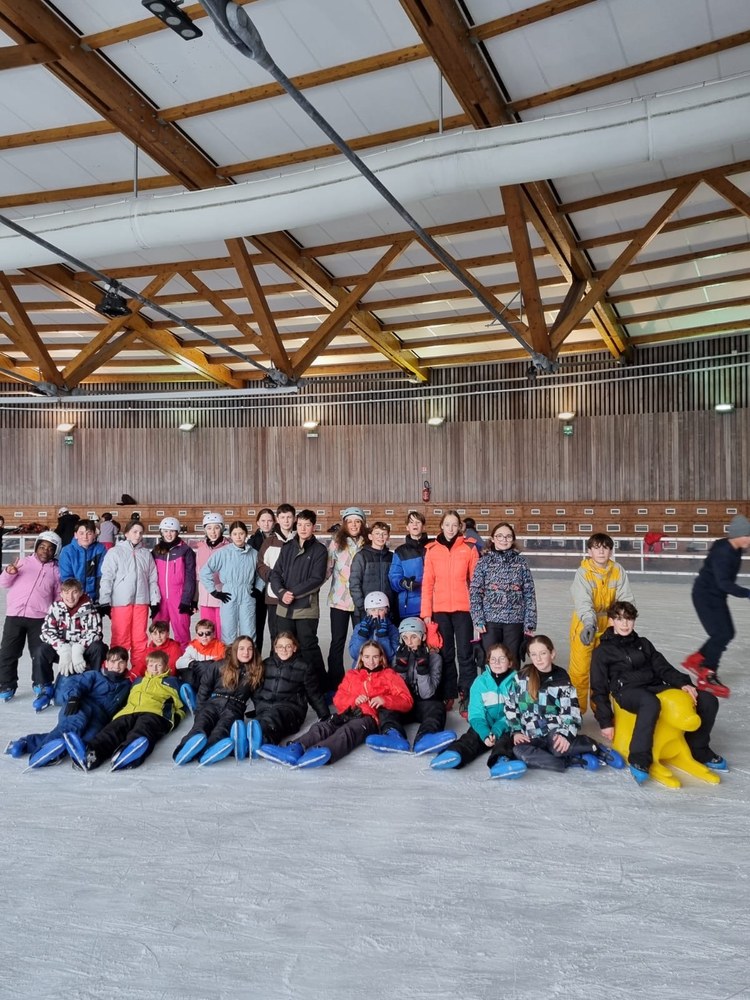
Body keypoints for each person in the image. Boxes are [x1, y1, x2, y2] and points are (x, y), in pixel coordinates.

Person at [591, 601, 724, 783]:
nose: (625, 624)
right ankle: (639, 757)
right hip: (627, 691)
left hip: (654, 685)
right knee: (650, 702)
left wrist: (684, 684)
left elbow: (663, 668)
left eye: (629, 619)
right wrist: (605, 722)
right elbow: (598, 688)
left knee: (708, 700)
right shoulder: (603, 651)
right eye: (620, 619)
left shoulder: (643, 644)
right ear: (611, 621)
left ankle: (698, 748)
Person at [259, 640, 413, 768]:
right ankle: (295, 748)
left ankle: (322, 750)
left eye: (375, 657)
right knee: (322, 727)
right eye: (367, 656)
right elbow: (338, 698)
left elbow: (407, 700)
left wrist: (384, 700)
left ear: (381, 658)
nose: (371, 661)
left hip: (369, 717)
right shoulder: (353, 675)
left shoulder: (388, 675)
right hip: (348, 712)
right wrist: (354, 700)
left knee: (348, 731)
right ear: (361, 658)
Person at [5, 646, 131, 766]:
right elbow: (77, 683)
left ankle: (26, 743)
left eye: (121, 662)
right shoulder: (95, 675)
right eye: (113, 662)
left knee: (87, 739)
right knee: (72, 727)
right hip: (81, 705)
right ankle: (40, 753)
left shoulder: (126, 686)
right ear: (106, 663)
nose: (116, 666)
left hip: (100, 718)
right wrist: (73, 698)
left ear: (126, 664)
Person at [504, 635, 614, 772]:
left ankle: (591, 746)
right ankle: (566, 761)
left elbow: (571, 712)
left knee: (558, 748)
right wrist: (516, 731)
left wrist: (565, 734)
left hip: (554, 729)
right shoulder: (520, 677)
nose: (538, 659)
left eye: (543, 653)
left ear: (552, 654)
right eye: (534, 654)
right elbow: (510, 706)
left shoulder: (561, 679)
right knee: (519, 751)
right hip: (531, 732)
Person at [65, 649, 184, 771]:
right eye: (151, 665)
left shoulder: (173, 682)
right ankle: (92, 753)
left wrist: (175, 718)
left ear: (166, 667)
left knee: (143, 728)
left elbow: (183, 703)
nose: (154, 669)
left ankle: (129, 752)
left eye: (159, 665)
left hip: (155, 713)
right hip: (129, 711)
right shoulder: (138, 681)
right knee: (113, 730)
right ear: (147, 666)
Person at [682, 513, 750, 698]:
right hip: (705, 595)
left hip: (716, 596)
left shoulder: (735, 549)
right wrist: (747, 593)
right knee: (721, 634)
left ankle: (696, 660)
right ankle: (707, 674)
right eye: (747, 535)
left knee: (728, 632)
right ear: (738, 535)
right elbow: (724, 583)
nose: (749, 539)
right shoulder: (724, 552)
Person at [431, 643, 525, 776]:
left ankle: (501, 761)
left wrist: (497, 730)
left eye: (502, 659)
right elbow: (475, 714)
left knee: (506, 741)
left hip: (507, 725)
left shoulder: (517, 683)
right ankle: (454, 753)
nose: (497, 663)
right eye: (493, 659)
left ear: (510, 663)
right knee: (472, 737)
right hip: (484, 723)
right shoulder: (480, 682)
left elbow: (516, 713)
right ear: (488, 662)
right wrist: (485, 734)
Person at [366, 616, 455, 756]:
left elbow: (427, 693)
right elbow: (396, 692)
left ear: (423, 637)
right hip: (404, 703)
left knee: (437, 707)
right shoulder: (398, 657)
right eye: (405, 638)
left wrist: (423, 670)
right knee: (386, 707)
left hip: (424, 703)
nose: (409, 642)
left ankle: (426, 736)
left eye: (414, 637)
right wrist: (401, 669)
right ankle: (393, 735)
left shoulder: (435, 658)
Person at [420, 510, 479, 712]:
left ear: (460, 526)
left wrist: (477, 612)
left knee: (465, 653)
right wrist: (426, 614)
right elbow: (427, 584)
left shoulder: (469, 548)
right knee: (445, 653)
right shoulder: (432, 550)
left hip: (464, 610)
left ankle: (467, 694)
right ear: (441, 526)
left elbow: (476, 583)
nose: (451, 528)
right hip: (440, 610)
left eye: (455, 525)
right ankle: (448, 693)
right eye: (447, 524)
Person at [568, 532, 634, 713]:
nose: (601, 552)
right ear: (589, 551)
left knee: (604, 670)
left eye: (605, 548)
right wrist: (589, 623)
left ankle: (601, 711)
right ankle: (576, 712)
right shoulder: (583, 573)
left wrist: (623, 620)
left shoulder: (618, 570)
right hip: (585, 622)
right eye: (597, 548)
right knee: (580, 670)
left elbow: (625, 598)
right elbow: (583, 601)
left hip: (610, 623)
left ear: (611, 551)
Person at [172, 636, 263, 765]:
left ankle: (209, 751)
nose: (246, 652)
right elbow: (205, 688)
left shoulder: (255, 672)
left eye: (249, 649)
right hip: (213, 703)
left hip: (235, 708)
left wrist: (259, 714)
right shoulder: (220, 665)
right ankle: (184, 750)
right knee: (201, 725)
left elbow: (258, 697)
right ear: (235, 650)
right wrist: (199, 710)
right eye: (241, 649)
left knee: (222, 729)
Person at [269, 509, 328, 689]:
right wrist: (281, 592)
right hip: (284, 607)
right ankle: (283, 684)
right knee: (283, 645)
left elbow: (316, 579)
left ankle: (320, 686)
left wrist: (291, 593)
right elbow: (275, 573)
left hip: (306, 608)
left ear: (313, 527)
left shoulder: (319, 550)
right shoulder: (287, 547)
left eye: (307, 525)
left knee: (308, 647)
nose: (303, 528)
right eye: (300, 524)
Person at [0, 530, 62, 702]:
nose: (45, 551)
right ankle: (6, 684)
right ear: (36, 547)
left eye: (50, 548)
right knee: (8, 652)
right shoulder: (23, 563)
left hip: (40, 618)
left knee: (39, 653)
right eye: (42, 547)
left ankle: (41, 683)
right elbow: (3, 583)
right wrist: (9, 572)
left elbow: (58, 596)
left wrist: (57, 615)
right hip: (15, 615)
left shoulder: (56, 571)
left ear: (55, 551)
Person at [31, 577, 106, 709]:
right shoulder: (56, 608)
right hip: (63, 650)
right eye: (66, 592)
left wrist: (79, 647)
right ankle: (45, 687)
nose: (70, 597)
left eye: (74, 592)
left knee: (99, 647)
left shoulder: (89, 608)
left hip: (82, 651)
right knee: (41, 650)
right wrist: (62, 648)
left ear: (81, 593)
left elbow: (95, 632)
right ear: (61, 594)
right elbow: (47, 631)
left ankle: (94, 684)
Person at [98, 518, 161, 678]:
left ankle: (137, 673)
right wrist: (104, 600)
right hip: (121, 602)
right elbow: (107, 577)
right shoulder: (115, 552)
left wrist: (154, 600)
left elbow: (152, 578)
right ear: (126, 533)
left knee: (140, 639)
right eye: (134, 532)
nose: (138, 535)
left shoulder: (145, 554)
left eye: (140, 532)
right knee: (121, 638)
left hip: (141, 602)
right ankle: (115, 670)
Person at [470, 522, 537, 663]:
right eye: (499, 536)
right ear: (492, 539)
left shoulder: (521, 563)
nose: (504, 540)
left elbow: (529, 594)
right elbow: (475, 592)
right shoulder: (483, 562)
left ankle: (512, 679)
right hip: (490, 622)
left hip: (515, 621)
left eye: (508, 536)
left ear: (513, 540)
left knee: (512, 662)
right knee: (491, 661)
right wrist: (478, 618)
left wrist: (529, 624)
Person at [252, 631, 330, 752]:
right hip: (265, 708)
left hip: (290, 711)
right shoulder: (266, 664)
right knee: (259, 721)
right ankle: (246, 741)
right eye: (280, 646)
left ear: (294, 648)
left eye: (288, 646)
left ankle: (263, 741)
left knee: (273, 718)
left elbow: (314, 694)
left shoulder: (304, 667)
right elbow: (256, 689)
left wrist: (325, 716)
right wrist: (259, 705)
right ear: (275, 649)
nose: (284, 650)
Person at [325, 506, 367, 692]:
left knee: (362, 641)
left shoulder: (367, 542)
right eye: (350, 522)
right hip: (339, 600)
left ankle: (361, 681)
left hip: (361, 601)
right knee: (337, 641)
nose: (354, 525)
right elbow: (327, 570)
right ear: (344, 524)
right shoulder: (336, 543)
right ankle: (335, 683)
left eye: (357, 521)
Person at [199, 520, 260, 643]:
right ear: (231, 536)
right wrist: (214, 592)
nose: (238, 537)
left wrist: (258, 588)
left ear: (246, 534)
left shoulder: (254, 554)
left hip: (247, 594)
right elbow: (204, 572)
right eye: (235, 534)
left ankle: (248, 654)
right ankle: (229, 655)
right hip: (229, 594)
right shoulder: (223, 553)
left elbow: (261, 573)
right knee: (228, 630)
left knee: (249, 630)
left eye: (241, 533)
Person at [151, 516, 196, 651]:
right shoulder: (156, 551)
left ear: (177, 532)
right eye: (166, 531)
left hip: (179, 598)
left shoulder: (186, 551)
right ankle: (158, 660)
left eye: (172, 531)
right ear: (161, 532)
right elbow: (150, 577)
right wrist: (152, 600)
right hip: (160, 598)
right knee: (159, 634)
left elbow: (190, 577)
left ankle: (183, 661)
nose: (169, 534)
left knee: (182, 633)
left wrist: (187, 600)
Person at [258, 503, 297, 643]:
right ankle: (274, 657)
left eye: (289, 517)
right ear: (278, 519)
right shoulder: (269, 542)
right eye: (283, 517)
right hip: (274, 596)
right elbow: (261, 566)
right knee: (275, 634)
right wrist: (274, 578)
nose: (286, 520)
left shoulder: (299, 540)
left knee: (293, 636)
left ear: (294, 519)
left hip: (295, 595)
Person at [350, 521, 397, 624]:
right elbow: (354, 583)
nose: (381, 537)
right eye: (377, 533)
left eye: (384, 534)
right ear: (370, 536)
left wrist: (393, 606)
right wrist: (362, 606)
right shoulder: (361, 556)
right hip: (366, 610)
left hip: (386, 610)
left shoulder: (392, 557)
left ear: (388, 537)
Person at [195, 513, 229, 639]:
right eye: (209, 528)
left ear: (222, 529)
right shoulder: (201, 548)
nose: (213, 532)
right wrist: (195, 598)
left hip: (222, 594)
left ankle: (222, 651)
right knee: (206, 630)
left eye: (216, 528)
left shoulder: (228, 547)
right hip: (205, 596)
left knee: (222, 630)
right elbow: (198, 574)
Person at [389, 511, 428, 620]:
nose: (415, 524)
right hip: (410, 607)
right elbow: (393, 577)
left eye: (418, 522)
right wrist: (403, 583)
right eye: (411, 522)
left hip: (432, 605)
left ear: (423, 526)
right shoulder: (400, 552)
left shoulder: (432, 546)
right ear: (407, 527)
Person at [58, 520, 107, 604]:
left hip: (95, 596)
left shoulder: (100, 549)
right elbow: (66, 577)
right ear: (75, 535)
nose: (85, 537)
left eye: (89, 533)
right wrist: (75, 597)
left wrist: (99, 597)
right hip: (75, 597)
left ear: (94, 534)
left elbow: (102, 574)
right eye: (81, 533)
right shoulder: (67, 551)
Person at [348, 590, 399, 665]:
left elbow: (391, 657)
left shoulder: (392, 629)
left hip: (384, 668)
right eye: (373, 610)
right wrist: (362, 635)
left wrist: (383, 636)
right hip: (363, 668)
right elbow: (355, 655)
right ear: (367, 612)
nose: (377, 613)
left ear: (386, 611)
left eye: (381, 610)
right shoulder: (358, 628)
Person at [250, 508, 276, 654]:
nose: (266, 524)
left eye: (269, 520)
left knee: (275, 628)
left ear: (274, 522)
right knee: (257, 627)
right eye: (263, 520)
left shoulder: (280, 539)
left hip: (275, 589)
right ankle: (256, 659)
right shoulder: (252, 542)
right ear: (258, 522)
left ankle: (275, 659)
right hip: (257, 591)